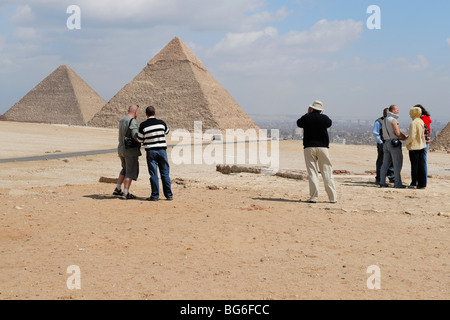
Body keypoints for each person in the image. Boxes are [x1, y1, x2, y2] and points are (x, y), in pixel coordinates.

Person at [297, 100, 338, 203]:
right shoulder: (324, 118)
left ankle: (314, 197)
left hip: (309, 147)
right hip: (323, 148)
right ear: (320, 110)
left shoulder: (306, 118)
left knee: (312, 173)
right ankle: (332, 198)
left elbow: (299, 123)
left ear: (311, 108)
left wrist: (307, 113)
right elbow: (329, 123)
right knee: (327, 172)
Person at [138, 106, 173, 201]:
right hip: (162, 151)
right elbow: (167, 131)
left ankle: (154, 196)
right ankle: (169, 195)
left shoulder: (143, 125)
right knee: (165, 173)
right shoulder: (161, 123)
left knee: (153, 174)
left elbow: (140, 139)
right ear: (155, 113)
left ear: (146, 114)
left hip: (151, 152)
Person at [113, 105, 142, 200]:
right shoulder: (132, 121)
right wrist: (142, 140)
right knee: (130, 171)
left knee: (124, 169)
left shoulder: (122, 120)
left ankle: (118, 189)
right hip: (130, 151)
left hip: (121, 148)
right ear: (136, 111)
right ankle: (125, 193)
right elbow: (135, 135)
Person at [379, 105, 409, 188]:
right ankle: (397, 183)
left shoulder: (384, 120)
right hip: (393, 144)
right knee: (397, 164)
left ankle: (382, 182)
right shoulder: (393, 120)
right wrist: (405, 137)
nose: (398, 111)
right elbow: (398, 133)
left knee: (385, 164)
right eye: (397, 110)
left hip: (386, 143)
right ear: (393, 111)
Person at [405, 107, 427, 189]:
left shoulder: (413, 123)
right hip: (421, 146)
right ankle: (422, 184)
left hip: (414, 147)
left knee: (414, 166)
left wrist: (406, 142)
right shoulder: (421, 121)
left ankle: (413, 183)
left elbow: (412, 137)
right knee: (421, 165)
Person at [372, 108, 395, 184]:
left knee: (391, 160)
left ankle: (391, 177)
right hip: (382, 143)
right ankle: (379, 178)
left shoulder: (392, 121)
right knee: (381, 160)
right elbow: (375, 133)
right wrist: (381, 142)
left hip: (390, 143)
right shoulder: (379, 121)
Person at [416, 104, 432, 184]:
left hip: (423, 143)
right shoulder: (426, 118)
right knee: (422, 162)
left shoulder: (422, 120)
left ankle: (423, 181)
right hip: (425, 143)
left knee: (422, 163)